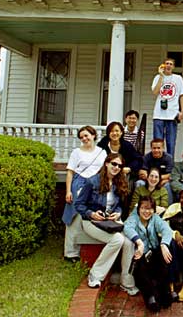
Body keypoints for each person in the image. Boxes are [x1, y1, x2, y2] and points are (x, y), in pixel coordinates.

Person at [74, 153, 137, 294]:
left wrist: (118, 213)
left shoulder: (118, 182)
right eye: (114, 164)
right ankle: (95, 274)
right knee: (118, 239)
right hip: (91, 221)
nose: (116, 168)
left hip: (111, 221)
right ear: (106, 163)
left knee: (128, 241)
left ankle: (125, 280)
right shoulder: (92, 182)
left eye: (119, 166)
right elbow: (79, 204)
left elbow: (119, 205)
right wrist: (91, 214)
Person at [62, 125, 107, 262]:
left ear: (93, 135)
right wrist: (68, 191)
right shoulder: (76, 152)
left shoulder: (102, 152)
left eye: (86, 135)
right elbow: (70, 172)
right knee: (74, 217)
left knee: (91, 215)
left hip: (96, 185)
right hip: (79, 185)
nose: (84, 139)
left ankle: (89, 248)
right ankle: (70, 252)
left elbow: (105, 171)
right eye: (81, 137)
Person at [124, 196, 174, 312]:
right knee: (140, 268)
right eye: (144, 208)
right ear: (138, 209)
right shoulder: (134, 218)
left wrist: (164, 244)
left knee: (164, 258)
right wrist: (139, 242)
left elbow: (166, 229)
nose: (147, 212)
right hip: (140, 253)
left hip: (154, 252)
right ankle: (150, 296)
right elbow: (127, 228)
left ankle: (164, 291)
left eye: (150, 209)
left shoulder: (155, 218)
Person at [151, 58, 183, 158]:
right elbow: (155, 92)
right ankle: (157, 163)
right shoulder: (157, 77)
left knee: (171, 142)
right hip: (159, 114)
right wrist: (161, 76)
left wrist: (182, 112)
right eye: (166, 63)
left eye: (171, 64)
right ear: (163, 65)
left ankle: (169, 165)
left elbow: (182, 95)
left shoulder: (178, 78)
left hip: (172, 114)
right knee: (158, 142)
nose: (168, 65)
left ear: (173, 67)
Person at [137, 138, 174, 203]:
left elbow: (170, 174)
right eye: (154, 148)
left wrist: (157, 179)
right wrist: (151, 179)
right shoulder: (146, 157)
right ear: (151, 148)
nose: (156, 150)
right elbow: (142, 172)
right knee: (139, 183)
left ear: (163, 148)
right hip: (148, 181)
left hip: (162, 182)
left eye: (158, 148)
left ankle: (168, 208)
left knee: (168, 185)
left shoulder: (168, 158)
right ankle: (137, 206)